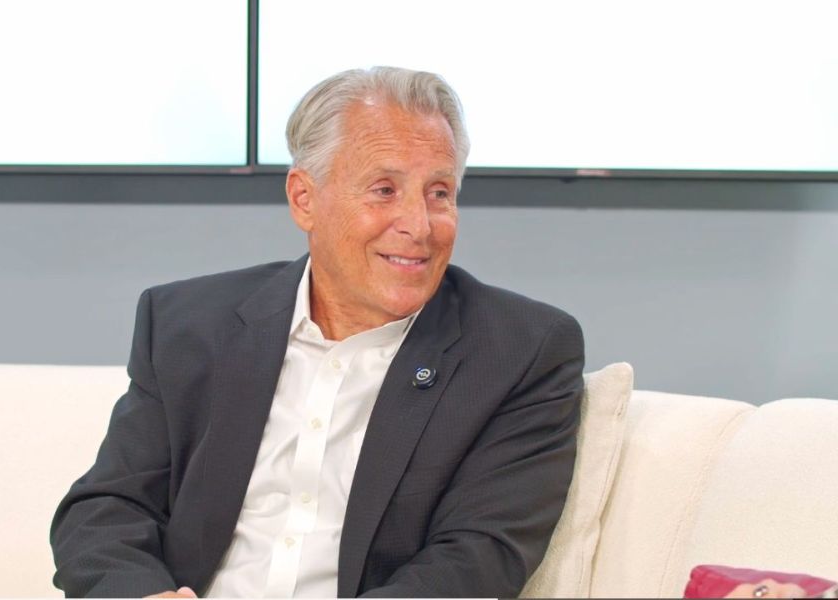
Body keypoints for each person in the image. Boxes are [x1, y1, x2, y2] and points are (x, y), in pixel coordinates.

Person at [50, 66, 585, 598]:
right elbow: (107, 509)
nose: (419, 225)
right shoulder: (189, 324)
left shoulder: (519, 352)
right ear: (304, 198)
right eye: (384, 190)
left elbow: (476, 558)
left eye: (439, 193)